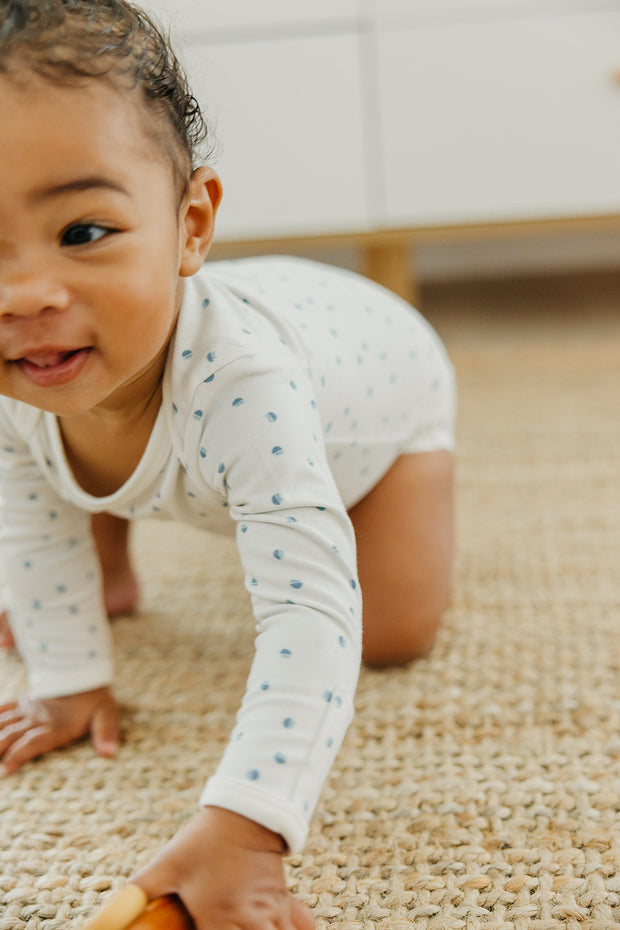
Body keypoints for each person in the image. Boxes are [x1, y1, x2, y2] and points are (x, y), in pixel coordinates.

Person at [0, 1, 456, 927]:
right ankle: (116, 567)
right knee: (57, 444)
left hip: (379, 392)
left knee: (390, 632)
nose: (26, 296)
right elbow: (25, 515)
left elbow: (307, 610)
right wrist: (70, 676)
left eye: (83, 232)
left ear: (192, 224)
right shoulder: (27, 363)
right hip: (159, 400)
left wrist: (249, 828)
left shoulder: (249, 384)